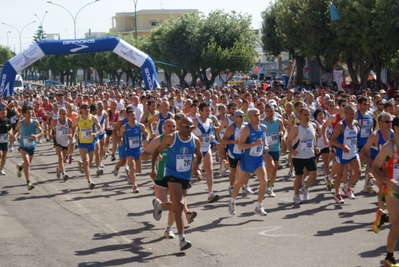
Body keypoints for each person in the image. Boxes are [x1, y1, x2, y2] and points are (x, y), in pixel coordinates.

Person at [151, 116, 202, 251]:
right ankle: (182, 239)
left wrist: (197, 169)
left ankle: (160, 205)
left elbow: (199, 155)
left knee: (176, 206)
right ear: (180, 126)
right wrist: (153, 169)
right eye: (187, 127)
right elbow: (156, 150)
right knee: (179, 205)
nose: (189, 129)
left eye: (192, 127)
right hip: (172, 174)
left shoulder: (195, 140)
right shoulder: (171, 138)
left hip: (185, 176)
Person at [228, 108, 269, 216]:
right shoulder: (247, 129)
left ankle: (259, 206)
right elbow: (240, 145)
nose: (258, 117)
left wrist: (266, 145)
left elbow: (263, 139)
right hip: (247, 161)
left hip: (258, 160)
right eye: (255, 115)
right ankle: (232, 201)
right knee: (240, 183)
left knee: (264, 182)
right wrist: (254, 144)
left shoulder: (261, 127)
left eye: (259, 114)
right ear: (249, 117)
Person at [371, 117, 399, 267]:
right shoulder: (390, 147)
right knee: (398, 223)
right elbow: (374, 168)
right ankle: (389, 258)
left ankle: (383, 218)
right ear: (395, 128)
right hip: (392, 189)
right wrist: (387, 181)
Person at [286, 107, 319, 204]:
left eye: (309, 114)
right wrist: (292, 150)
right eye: (305, 115)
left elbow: (314, 138)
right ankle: (296, 195)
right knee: (299, 177)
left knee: (314, 175)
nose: (308, 117)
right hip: (298, 156)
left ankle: (305, 188)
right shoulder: (296, 128)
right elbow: (288, 140)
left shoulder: (313, 125)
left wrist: (316, 146)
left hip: (310, 155)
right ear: (300, 116)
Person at [329, 105, 362, 203]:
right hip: (342, 153)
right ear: (345, 114)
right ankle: (336, 194)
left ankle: (347, 187)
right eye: (350, 114)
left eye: (353, 114)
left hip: (353, 151)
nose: (352, 116)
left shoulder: (356, 123)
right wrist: (342, 146)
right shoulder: (341, 125)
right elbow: (332, 140)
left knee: (358, 172)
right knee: (339, 175)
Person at [192, 103, 219, 203]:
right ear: (201, 111)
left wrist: (211, 136)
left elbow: (209, 132)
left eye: (209, 110)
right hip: (195, 149)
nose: (209, 112)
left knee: (210, 170)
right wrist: (196, 137)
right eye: (206, 110)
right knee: (193, 172)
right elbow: (185, 132)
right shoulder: (195, 121)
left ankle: (210, 193)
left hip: (206, 148)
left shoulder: (210, 121)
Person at [14, 105, 44, 190]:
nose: (30, 114)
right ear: (23, 113)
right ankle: (28, 182)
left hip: (32, 146)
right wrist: (13, 136)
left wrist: (36, 135)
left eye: (31, 112)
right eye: (28, 112)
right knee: (27, 162)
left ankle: (20, 167)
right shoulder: (20, 123)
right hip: (23, 146)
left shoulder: (35, 122)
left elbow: (42, 132)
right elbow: (16, 130)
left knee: (27, 164)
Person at [119, 108, 148, 193]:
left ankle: (130, 175)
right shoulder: (124, 127)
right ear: (127, 116)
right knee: (132, 166)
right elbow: (120, 135)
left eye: (134, 115)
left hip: (138, 150)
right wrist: (120, 140)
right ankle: (135, 185)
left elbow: (146, 132)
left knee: (138, 170)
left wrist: (146, 138)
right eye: (131, 116)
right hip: (129, 150)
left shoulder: (140, 126)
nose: (133, 117)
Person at [75, 103, 103, 190]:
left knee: (89, 162)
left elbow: (100, 128)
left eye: (88, 108)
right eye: (85, 108)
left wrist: (96, 133)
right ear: (81, 110)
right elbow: (73, 128)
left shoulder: (93, 118)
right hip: (82, 143)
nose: (87, 109)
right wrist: (73, 138)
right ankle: (89, 181)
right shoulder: (77, 119)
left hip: (91, 142)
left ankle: (82, 165)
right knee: (86, 161)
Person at [263, 103, 285, 197]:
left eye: (271, 111)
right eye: (268, 111)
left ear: (274, 111)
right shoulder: (262, 122)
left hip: (276, 148)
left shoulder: (279, 121)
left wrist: (282, 134)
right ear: (265, 112)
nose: (270, 113)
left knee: (274, 170)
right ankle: (266, 183)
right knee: (270, 165)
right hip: (266, 149)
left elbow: (284, 130)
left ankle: (269, 187)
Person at [50, 107, 75, 181]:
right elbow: (49, 128)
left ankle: (58, 168)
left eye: (65, 114)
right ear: (59, 114)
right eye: (62, 114)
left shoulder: (69, 121)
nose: (64, 115)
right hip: (58, 142)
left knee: (63, 159)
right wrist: (51, 135)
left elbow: (74, 129)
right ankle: (64, 173)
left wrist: (72, 136)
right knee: (60, 158)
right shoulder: (55, 121)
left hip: (66, 142)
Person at [0, 107, 12, 175]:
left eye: (4, 113)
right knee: (0, 154)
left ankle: (1, 169)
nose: (3, 115)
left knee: (4, 154)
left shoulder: (8, 120)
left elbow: (10, 128)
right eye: (2, 113)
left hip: (4, 140)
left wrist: (10, 132)